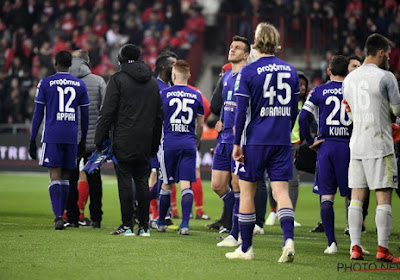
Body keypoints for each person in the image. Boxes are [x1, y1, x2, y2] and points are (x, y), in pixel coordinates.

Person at [226, 22, 299, 261]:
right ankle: (288, 240)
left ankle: (246, 249)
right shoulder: (291, 70)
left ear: (256, 42)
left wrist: (236, 143)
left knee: (247, 192)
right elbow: (293, 111)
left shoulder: (248, 71)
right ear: (276, 42)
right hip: (281, 140)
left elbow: (240, 111)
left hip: (255, 140)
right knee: (281, 192)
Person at [95, 44, 163, 236]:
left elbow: (107, 112)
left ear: (121, 59)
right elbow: (159, 116)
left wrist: (99, 140)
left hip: (124, 138)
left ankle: (127, 226)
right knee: (142, 181)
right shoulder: (152, 82)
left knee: (125, 181)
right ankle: (144, 226)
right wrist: (154, 144)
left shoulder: (117, 79)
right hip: (145, 140)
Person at [343, 33, 400, 262]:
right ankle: (382, 249)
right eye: (387, 53)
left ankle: (355, 247)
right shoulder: (386, 77)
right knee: (383, 197)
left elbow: (349, 112)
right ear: (381, 52)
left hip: (357, 144)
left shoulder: (349, 79)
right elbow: (397, 111)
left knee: (357, 197)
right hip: (380, 144)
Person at [29, 50, 90, 230]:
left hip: (53, 135)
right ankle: (61, 213)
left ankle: (58, 216)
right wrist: (83, 139)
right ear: (70, 64)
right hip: (71, 135)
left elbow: (38, 113)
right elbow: (85, 116)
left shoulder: (46, 83)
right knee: (65, 176)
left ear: (55, 63)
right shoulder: (80, 85)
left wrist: (33, 139)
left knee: (54, 174)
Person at [299, 55, 352, 254]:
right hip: (349, 146)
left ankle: (331, 243)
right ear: (347, 72)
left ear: (329, 71)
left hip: (326, 147)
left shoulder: (318, 91)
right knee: (353, 197)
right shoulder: (352, 89)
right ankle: (355, 244)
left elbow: (303, 118)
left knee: (327, 196)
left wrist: (311, 142)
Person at [210, 35, 250, 247]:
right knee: (217, 185)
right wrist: (220, 121)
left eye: (237, 48)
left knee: (237, 184)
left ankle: (236, 233)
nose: (232, 50)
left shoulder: (249, 75)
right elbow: (226, 105)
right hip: (223, 138)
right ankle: (242, 219)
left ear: (246, 54)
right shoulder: (226, 77)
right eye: (231, 46)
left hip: (240, 140)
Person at [157, 60, 204, 235]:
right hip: (189, 144)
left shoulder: (165, 94)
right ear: (189, 75)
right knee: (186, 185)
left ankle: (161, 222)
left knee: (167, 184)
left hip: (169, 144)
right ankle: (184, 225)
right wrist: (196, 141)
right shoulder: (196, 95)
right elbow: (200, 125)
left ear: (174, 75)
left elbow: (158, 121)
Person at [65, 49, 106, 228]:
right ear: (87, 62)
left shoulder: (63, 82)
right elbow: (105, 111)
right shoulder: (98, 81)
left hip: (71, 140)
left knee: (71, 179)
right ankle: (96, 218)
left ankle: (73, 218)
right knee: (95, 180)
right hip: (94, 143)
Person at [266, 72, 309, 228]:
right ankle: (272, 211)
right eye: (300, 84)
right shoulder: (281, 101)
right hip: (278, 143)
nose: (302, 87)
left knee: (293, 181)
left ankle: (290, 213)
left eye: (304, 85)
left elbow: (308, 124)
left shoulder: (306, 104)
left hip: (295, 145)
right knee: (273, 179)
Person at [149, 51, 178, 229]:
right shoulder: (155, 88)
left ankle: (162, 214)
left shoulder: (169, 87)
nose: (177, 68)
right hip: (157, 142)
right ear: (164, 67)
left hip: (168, 141)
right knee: (158, 178)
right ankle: (149, 210)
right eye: (173, 65)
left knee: (165, 179)